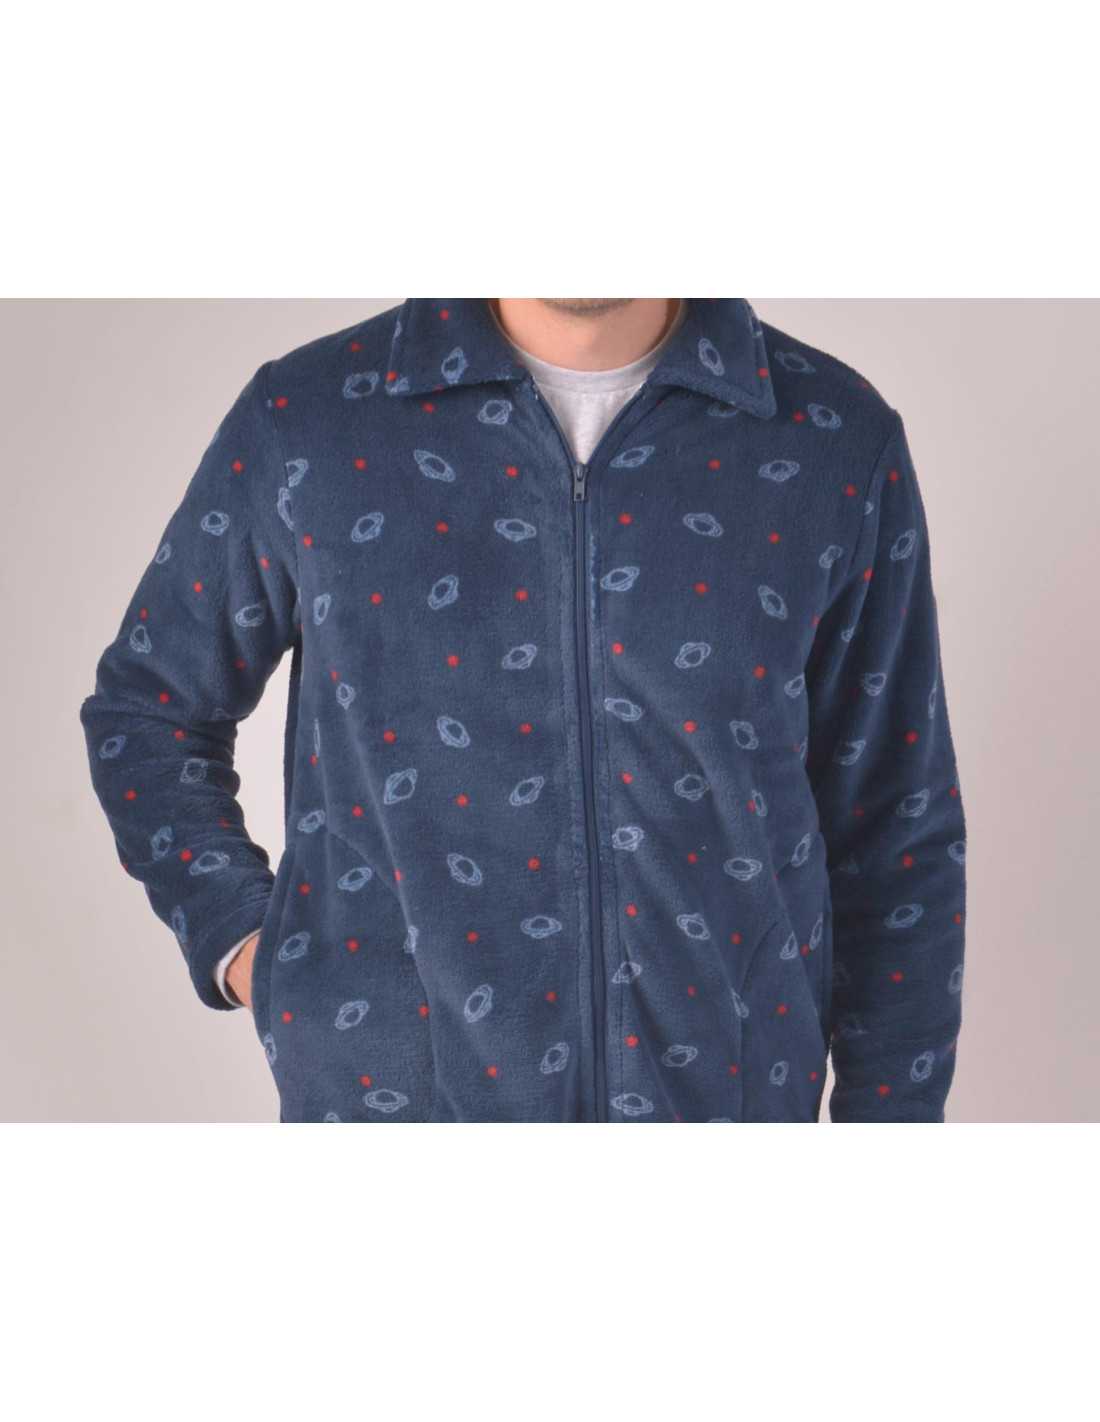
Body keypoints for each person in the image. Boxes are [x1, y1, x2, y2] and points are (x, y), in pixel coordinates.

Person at [79, 298, 967, 1122]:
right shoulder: (309, 422)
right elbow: (150, 710)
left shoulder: (831, 439)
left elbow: (896, 824)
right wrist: (256, 951)